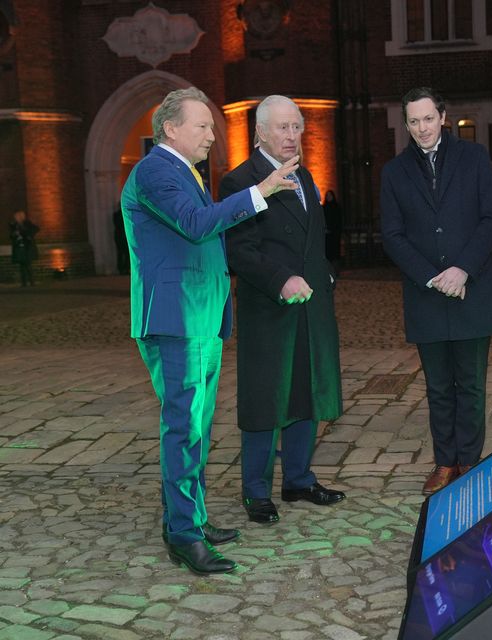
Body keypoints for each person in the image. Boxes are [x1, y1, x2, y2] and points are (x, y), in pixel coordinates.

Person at [121, 87, 298, 574]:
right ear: (171, 128)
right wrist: (259, 193)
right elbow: (196, 225)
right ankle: (182, 535)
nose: (212, 136)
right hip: (176, 319)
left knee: (196, 427)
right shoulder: (156, 170)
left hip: (198, 316)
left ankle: (191, 519)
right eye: (202, 126)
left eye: (212, 127)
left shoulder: (186, 172)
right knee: (183, 428)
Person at [219, 95, 345, 525]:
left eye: (297, 127)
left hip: (312, 307)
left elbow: (313, 240)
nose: (293, 136)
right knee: (265, 400)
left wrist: (326, 273)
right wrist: (281, 280)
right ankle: (256, 492)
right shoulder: (239, 182)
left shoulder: (305, 176)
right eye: (283, 128)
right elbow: (240, 250)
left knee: (306, 392)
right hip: (269, 309)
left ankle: (298, 479)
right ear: (260, 132)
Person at [380, 87, 492, 495]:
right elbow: (393, 235)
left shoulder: (473, 159)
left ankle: (469, 460)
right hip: (427, 293)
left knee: (470, 383)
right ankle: (445, 462)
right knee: (438, 387)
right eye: (414, 121)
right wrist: (432, 277)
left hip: (473, 288)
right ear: (407, 124)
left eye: (428, 119)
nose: (422, 128)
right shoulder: (394, 172)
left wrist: (462, 270)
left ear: (443, 117)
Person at [9, 210, 39, 286]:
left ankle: (32, 282)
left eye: (17, 216)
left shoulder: (27, 224)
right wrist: (14, 234)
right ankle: (24, 283)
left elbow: (35, 229)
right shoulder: (14, 225)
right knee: (22, 265)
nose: (16, 218)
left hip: (26, 246)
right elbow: (11, 235)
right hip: (19, 246)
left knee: (28, 264)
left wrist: (27, 234)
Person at [323, 190, 342, 273]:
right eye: (327, 196)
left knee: (335, 253)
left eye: (330, 195)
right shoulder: (324, 208)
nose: (328, 197)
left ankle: (336, 271)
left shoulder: (337, 207)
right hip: (327, 234)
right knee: (328, 253)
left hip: (335, 233)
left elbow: (339, 220)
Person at [113, 203, 130, 274]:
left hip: (121, 235)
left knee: (123, 253)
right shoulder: (119, 214)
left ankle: (124, 269)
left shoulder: (117, 214)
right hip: (121, 236)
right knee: (123, 253)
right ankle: (123, 269)